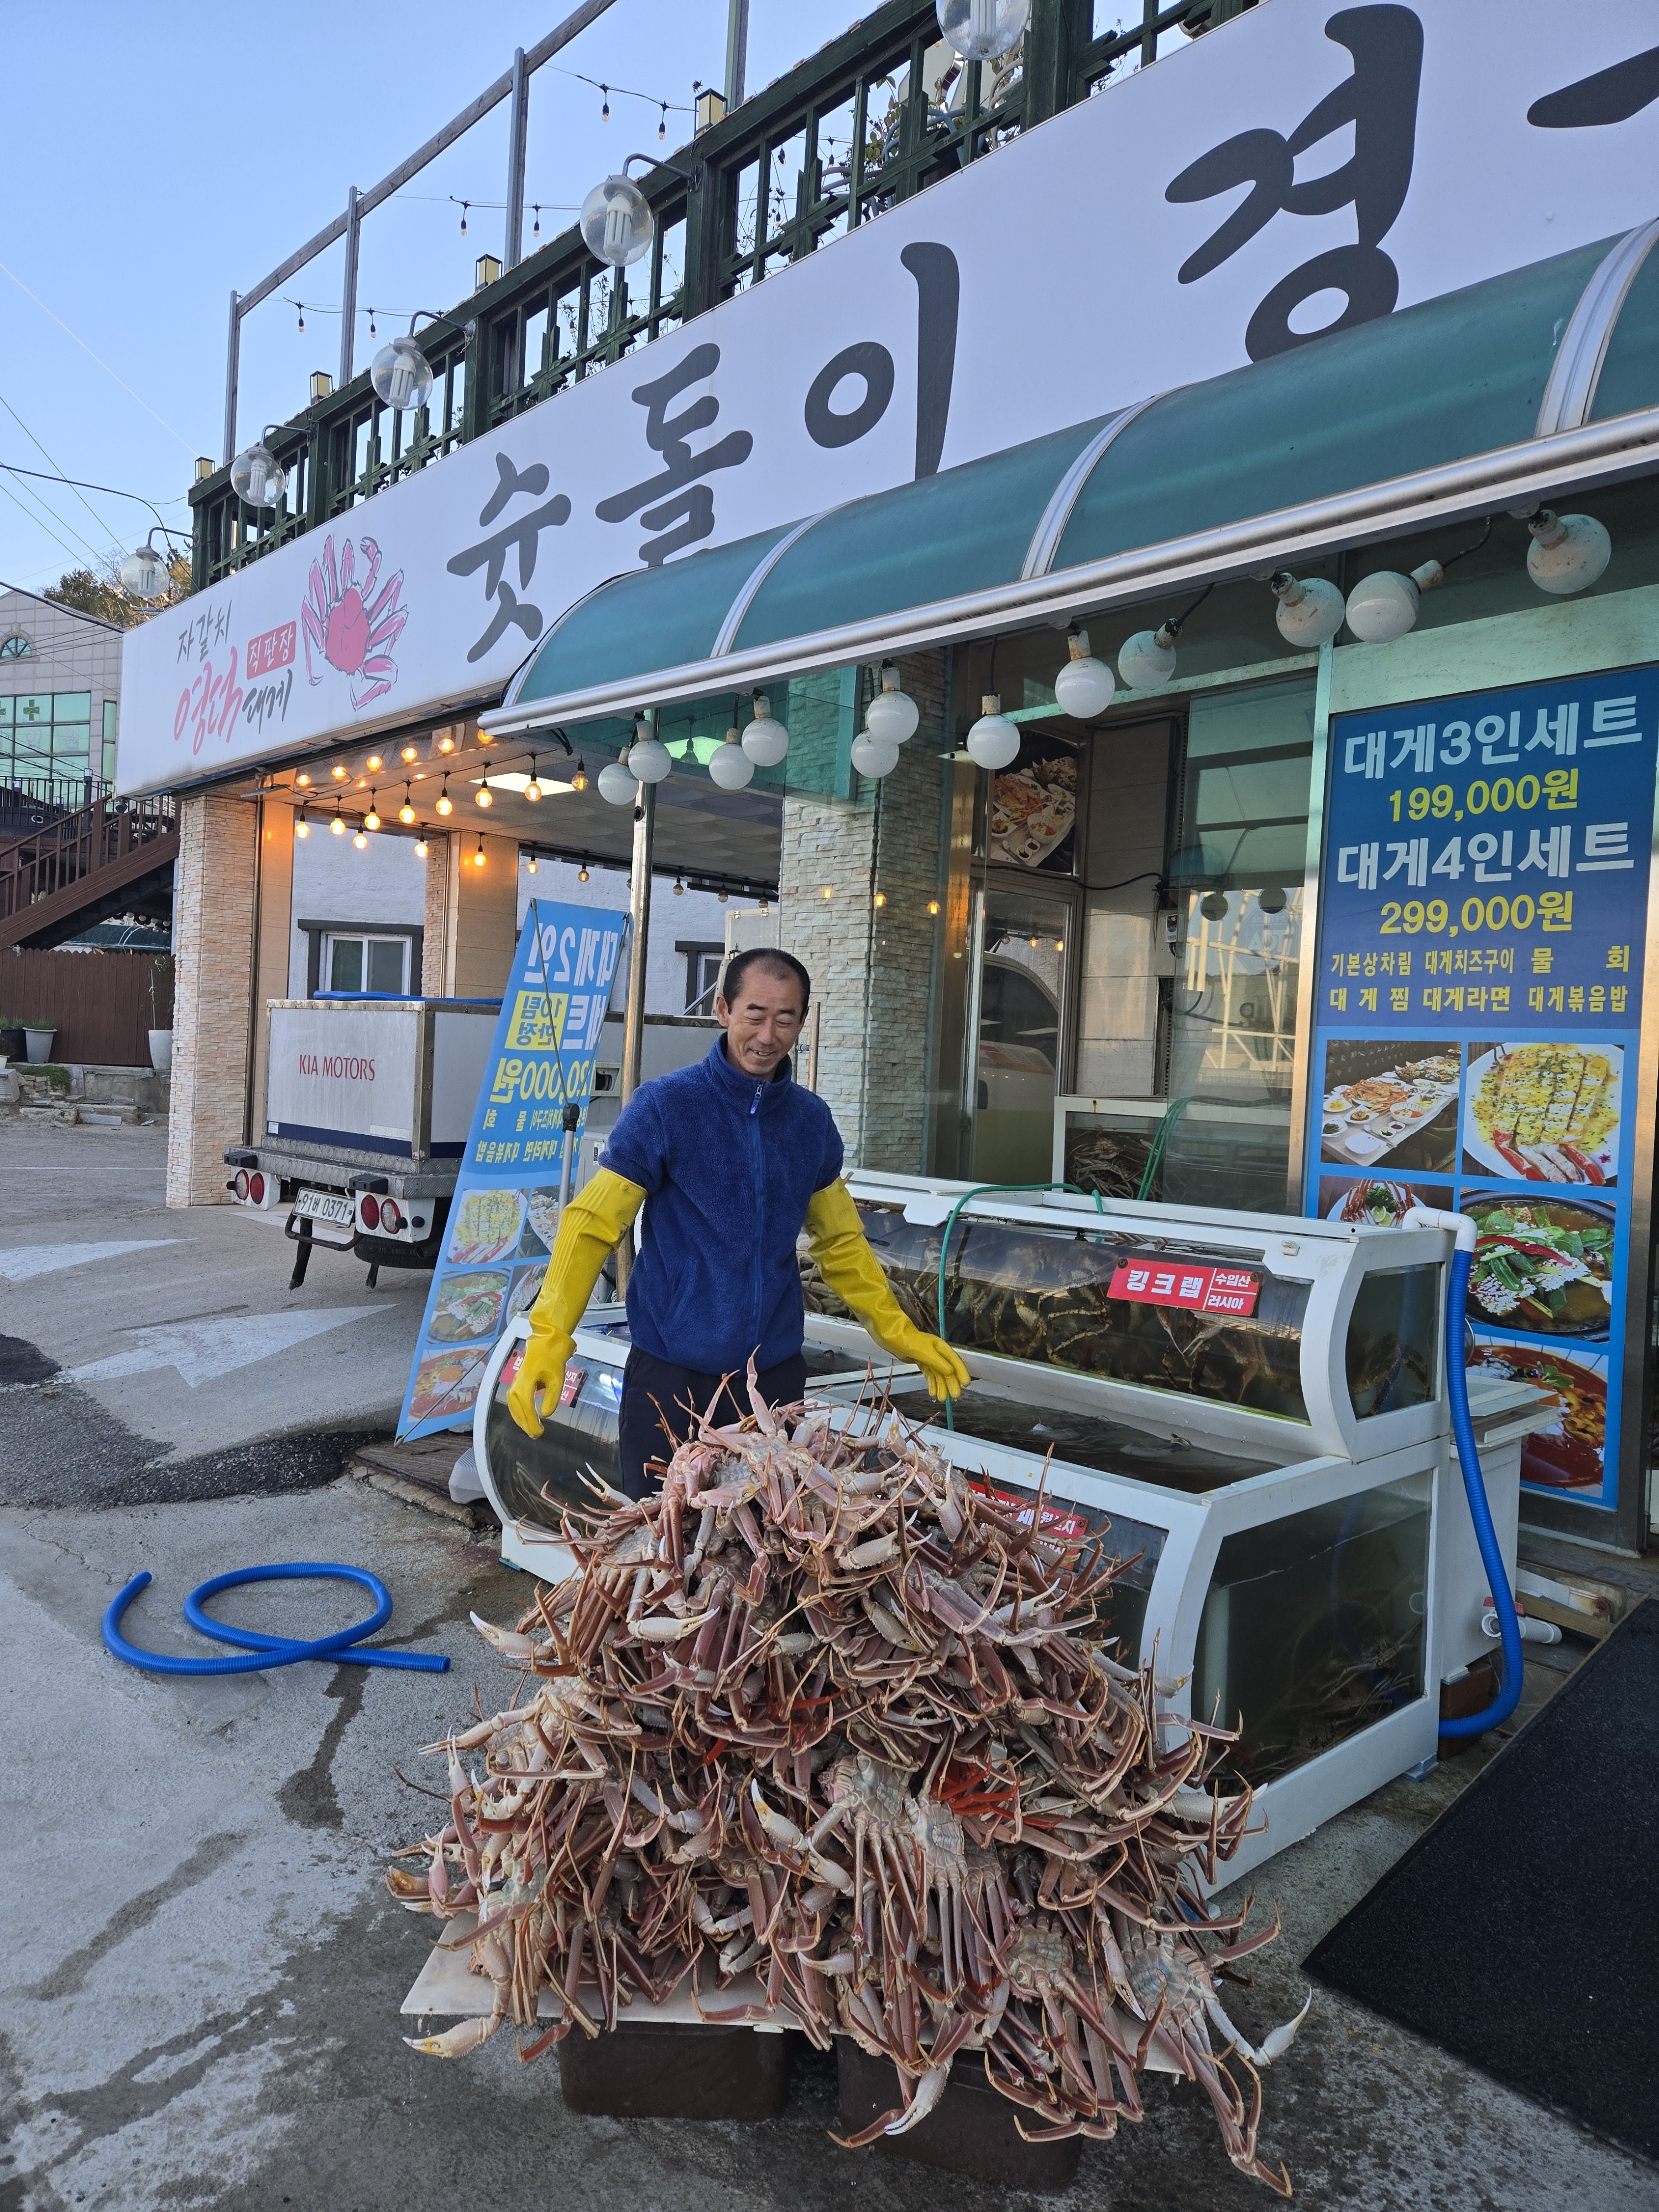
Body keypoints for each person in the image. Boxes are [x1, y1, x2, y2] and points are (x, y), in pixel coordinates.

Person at [507, 945, 968, 1491]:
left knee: (766, 1553)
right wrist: (549, 1335)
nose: (768, 1035)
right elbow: (590, 1225)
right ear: (723, 1009)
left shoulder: (810, 1123)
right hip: (671, 1377)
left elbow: (840, 1242)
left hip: (772, 1377)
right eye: (755, 1013)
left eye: (785, 1018)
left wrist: (898, 1331)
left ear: (802, 1022)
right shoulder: (666, 1107)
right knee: (663, 1545)